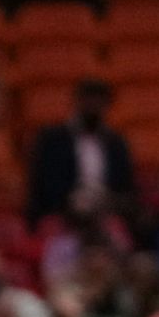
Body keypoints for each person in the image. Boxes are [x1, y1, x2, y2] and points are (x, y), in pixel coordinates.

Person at [27, 79, 136, 223]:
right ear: (77, 101)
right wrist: (74, 200)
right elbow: (45, 184)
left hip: (107, 208)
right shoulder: (53, 139)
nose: (93, 106)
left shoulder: (116, 143)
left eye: (99, 101)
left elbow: (125, 183)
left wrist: (109, 201)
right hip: (65, 209)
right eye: (88, 100)